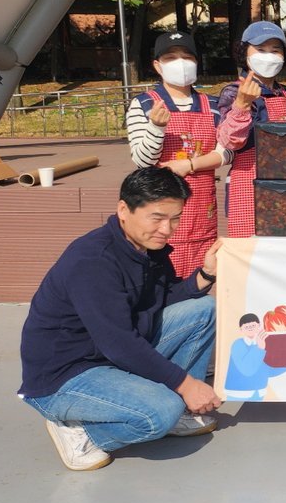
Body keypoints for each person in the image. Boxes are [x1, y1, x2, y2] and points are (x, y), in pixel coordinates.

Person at [18, 167, 222, 471]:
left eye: (175, 218)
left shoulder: (147, 247)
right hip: (65, 375)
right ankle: (80, 432)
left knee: (203, 309)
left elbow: (162, 299)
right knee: (160, 413)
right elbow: (119, 343)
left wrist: (206, 275)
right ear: (124, 210)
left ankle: (178, 409)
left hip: (108, 354)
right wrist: (185, 384)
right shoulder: (93, 260)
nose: (167, 229)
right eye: (157, 218)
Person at [125, 31, 231, 277]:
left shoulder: (214, 105)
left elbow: (227, 152)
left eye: (187, 57)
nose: (180, 63)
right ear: (157, 65)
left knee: (201, 277)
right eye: (171, 58)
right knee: (159, 278)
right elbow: (143, 160)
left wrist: (190, 165)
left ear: (196, 62)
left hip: (202, 209)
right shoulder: (143, 104)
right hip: (159, 208)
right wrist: (156, 127)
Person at [216, 21, 286, 239]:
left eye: (275, 50)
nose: (268, 56)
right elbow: (228, 141)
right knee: (249, 251)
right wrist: (241, 105)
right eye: (260, 49)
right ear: (245, 53)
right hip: (248, 185)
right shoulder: (233, 92)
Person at [224, 313, 286, 401]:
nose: (250, 328)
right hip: (238, 392)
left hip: (259, 392)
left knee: (255, 410)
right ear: (241, 329)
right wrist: (259, 348)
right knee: (231, 410)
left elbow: (268, 371)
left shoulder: (263, 344)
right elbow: (247, 369)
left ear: (259, 326)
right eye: (246, 326)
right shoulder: (238, 344)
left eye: (253, 325)